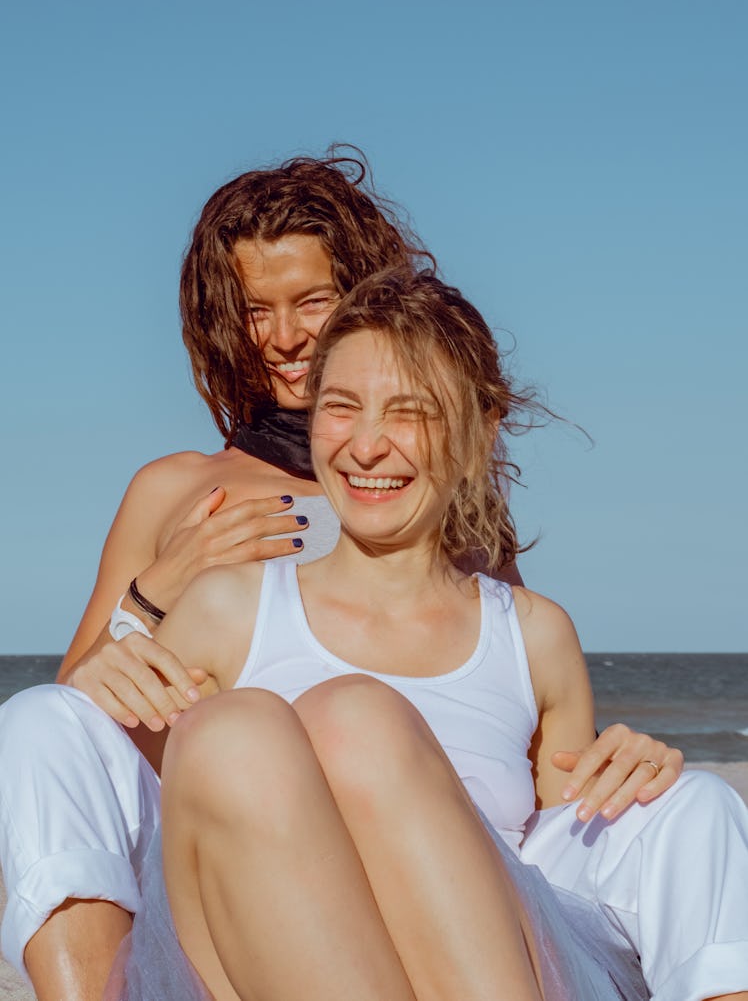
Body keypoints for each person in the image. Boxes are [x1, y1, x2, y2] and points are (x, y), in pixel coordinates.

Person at [0, 152, 683, 1001]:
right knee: (31, 719)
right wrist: (157, 587)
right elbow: (80, 731)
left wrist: (634, 767)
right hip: (240, 823)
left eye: (311, 302)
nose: (284, 337)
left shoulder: (417, 481)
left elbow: (507, 694)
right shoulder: (177, 488)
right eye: (255, 311)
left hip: (418, 839)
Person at [101, 268, 748, 1001]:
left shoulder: (532, 636)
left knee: (356, 718)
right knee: (236, 730)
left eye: (409, 413)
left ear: (479, 434)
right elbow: (122, 789)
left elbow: (571, 853)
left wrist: (639, 768)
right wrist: (114, 651)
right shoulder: (225, 609)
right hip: (266, 951)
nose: (367, 447)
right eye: (340, 407)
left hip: (489, 960)